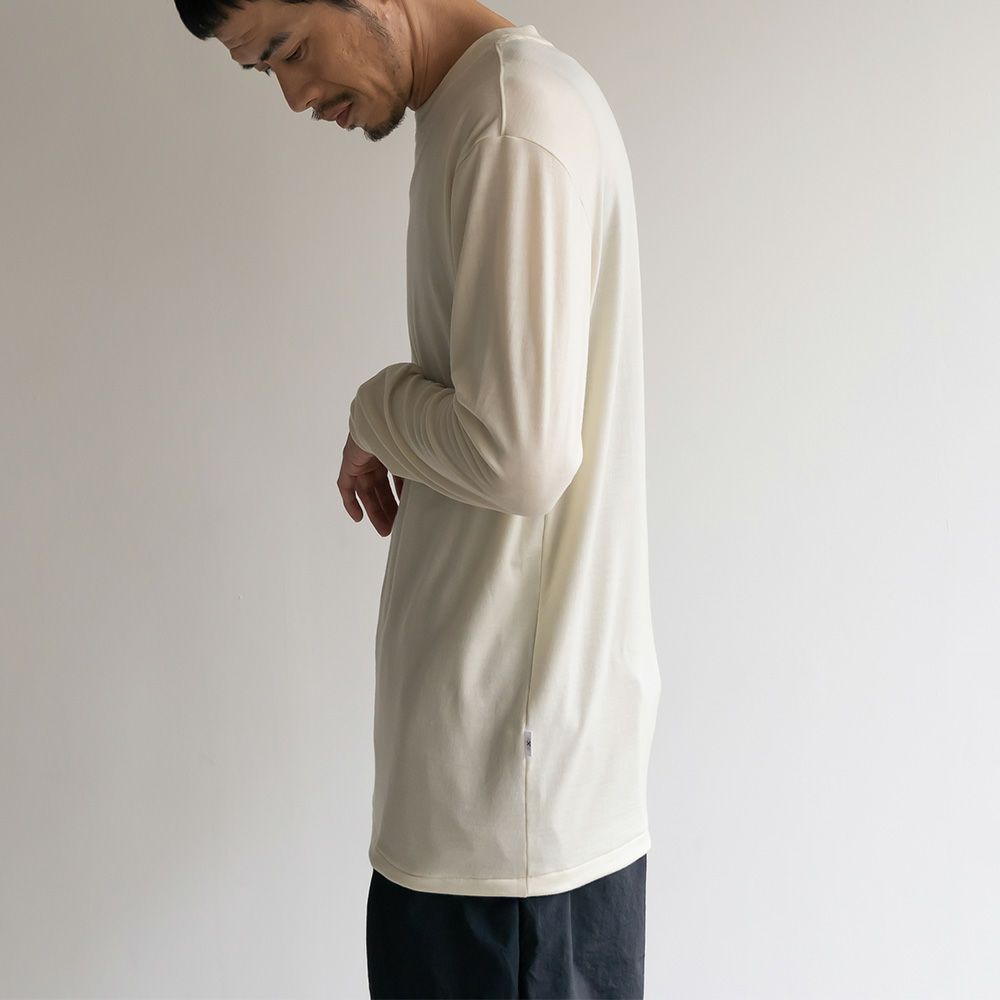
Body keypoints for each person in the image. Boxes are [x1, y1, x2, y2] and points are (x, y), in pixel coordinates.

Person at [174, 1, 661, 995]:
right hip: (489, 812)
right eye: (262, 70)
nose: (293, 95)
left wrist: (377, 406)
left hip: (509, 834)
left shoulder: (511, 121)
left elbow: (519, 456)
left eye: (287, 49)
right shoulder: (478, 111)